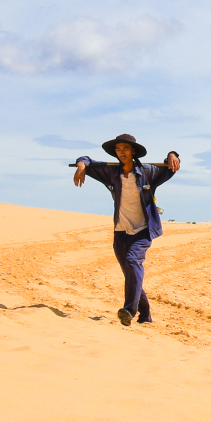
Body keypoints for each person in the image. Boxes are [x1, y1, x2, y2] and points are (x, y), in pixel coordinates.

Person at [71, 134, 179, 325]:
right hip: (121, 231)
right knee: (131, 273)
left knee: (133, 262)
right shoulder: (110, 172)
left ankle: (129, 310)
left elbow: (170, 167)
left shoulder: (148, 172)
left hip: (143, 230)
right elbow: (87, 160)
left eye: (125, 148)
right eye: (118, 149)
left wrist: (173, 154)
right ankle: (145, 315)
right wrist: (81, 165)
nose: (121, 152)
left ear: (133, 151)